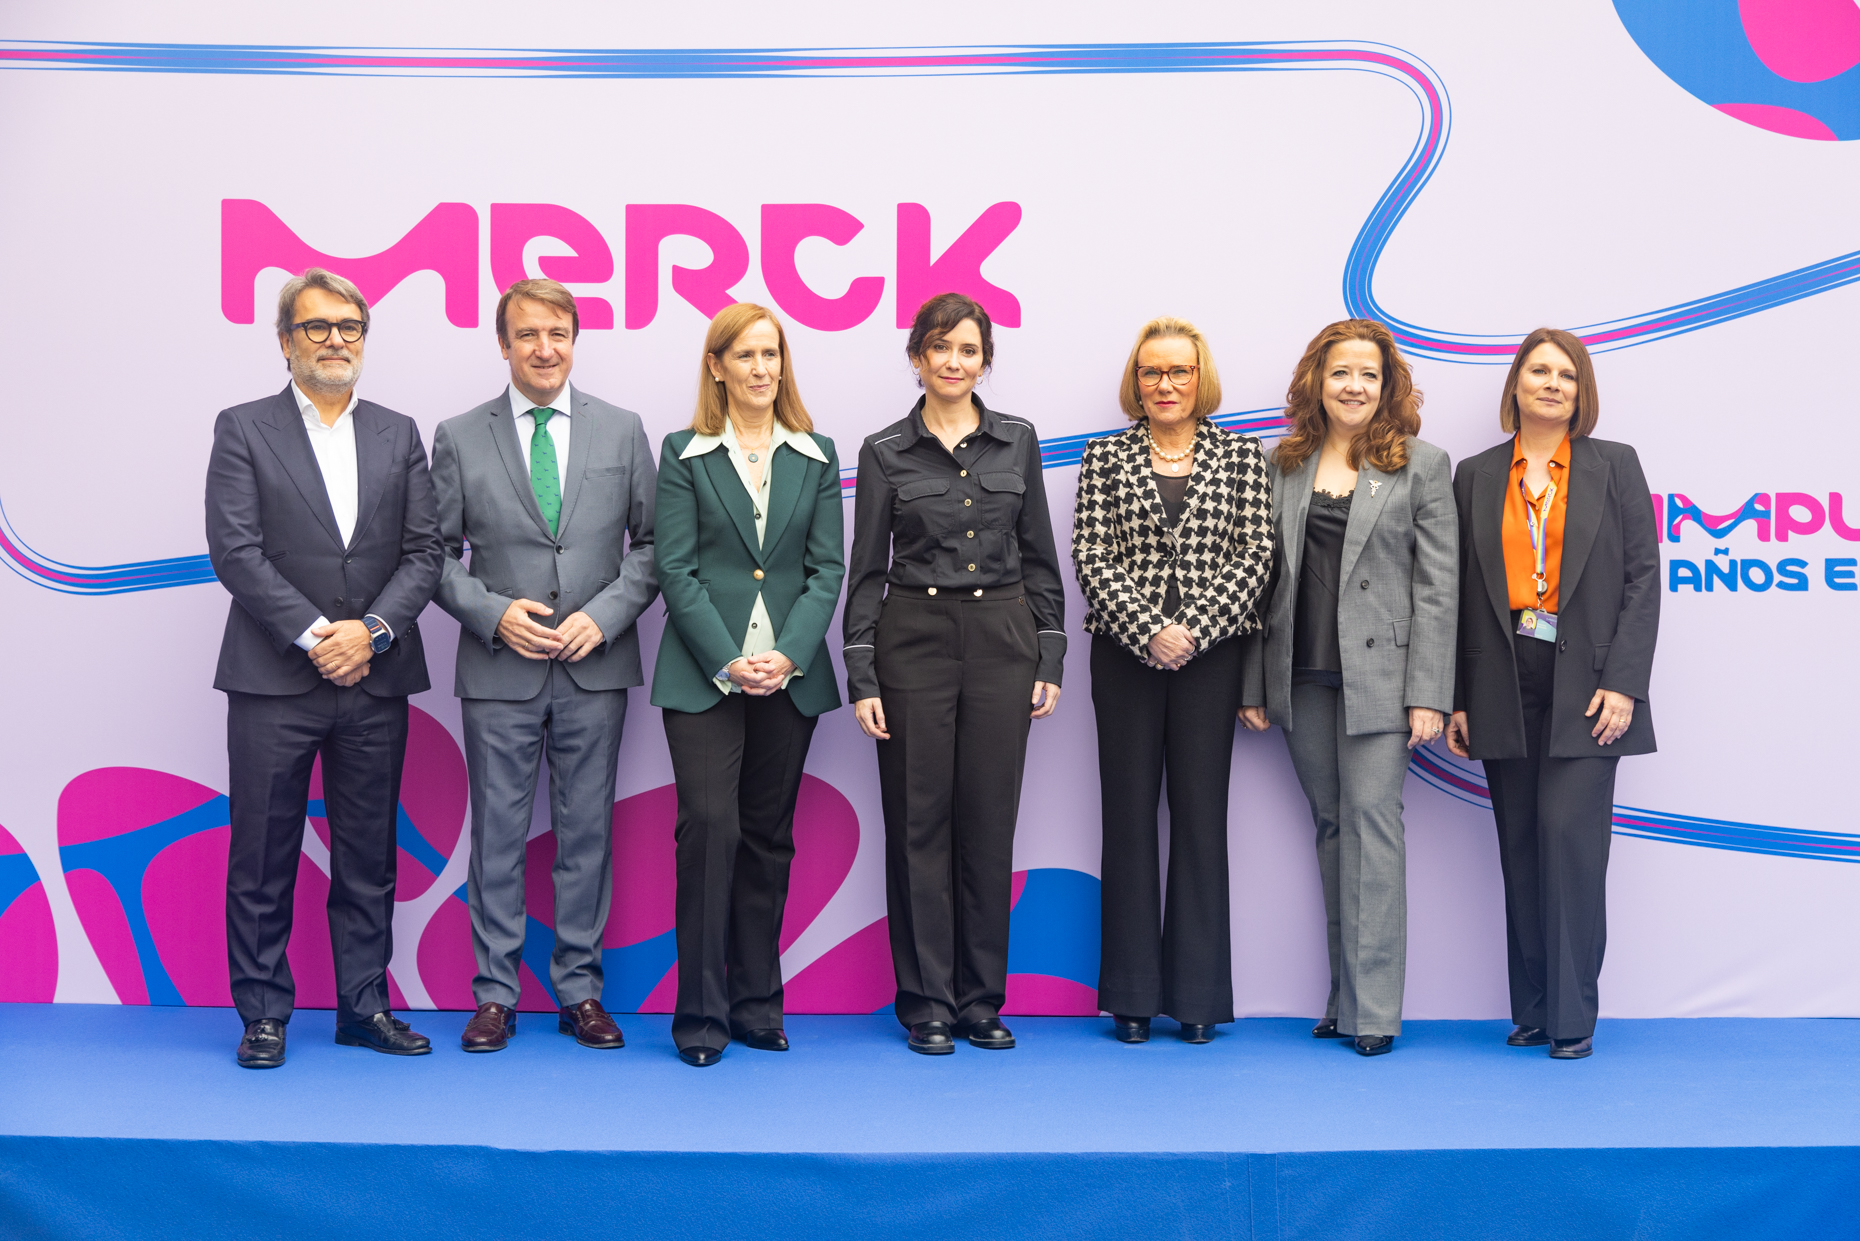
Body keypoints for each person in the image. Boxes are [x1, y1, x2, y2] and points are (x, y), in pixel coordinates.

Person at [206, 267, 444, 1068]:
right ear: (285, 342)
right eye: (317, 327)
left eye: (350, 326)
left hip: (374, 679)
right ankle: (264, 1012)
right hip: (274, 679)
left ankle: (363, 1006)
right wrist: (319, 635)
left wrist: (369, 632)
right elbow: (235, 551)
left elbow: (425, 552)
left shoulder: (398, 431)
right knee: (263, 854)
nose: (335, 339)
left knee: (369, 855)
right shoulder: (243, 428)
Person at [431, 278, 658, 1054]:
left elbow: (657, 545)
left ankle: (580, 991)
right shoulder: (460, 435)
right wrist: (493, 613)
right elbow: (433, 554)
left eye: (558, 332)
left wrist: (606, 615)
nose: (544, 347)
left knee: (586, 834)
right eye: (527, 334)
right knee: (496, 836)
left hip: (596, 667)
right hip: (500, 670)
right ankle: (494, 995)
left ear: (575, 339)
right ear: (503, 344)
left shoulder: (624, 430)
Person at [844, 292, 1066, 1055]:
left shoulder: (1018, 441)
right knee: (918, 825)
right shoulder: (883, 451)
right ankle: (926, 1001)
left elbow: (1040, 556)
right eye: (940, 348)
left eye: (968, 350)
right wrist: (863, 673)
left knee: (988, 823)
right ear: (917, 357)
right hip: (912, 640)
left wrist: (1051, 653)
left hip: (1003, 638)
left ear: (984, 361)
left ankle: (980, 1000)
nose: (953, 361)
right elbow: (865, 570)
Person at [1240, 318, 1457, 1057]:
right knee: (1333, 829)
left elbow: (1438, 588)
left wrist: (1428, 691)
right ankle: (1344, 998)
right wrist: (1254, 682)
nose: (1354, 386)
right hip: (1300, 676)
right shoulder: (1285, 463)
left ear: (1387, 384)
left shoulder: (1422, 464)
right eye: (1341, 373)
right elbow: (1258, 585)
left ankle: (1375, 1012)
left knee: (1372, 826)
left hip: (1382, 682)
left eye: (1368, 374)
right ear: (1316, 383)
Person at [1445, 327, 1657, 1061]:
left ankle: (1573, 1016)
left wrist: (1624, 683)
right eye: (1539, 370)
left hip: (1590, 686)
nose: (1552, 383)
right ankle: (1532, 1009)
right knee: (1521, 845)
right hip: (1504, 677)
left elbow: (1641, 580)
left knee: (1570, 843)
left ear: (1582, 390)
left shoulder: (1614, 466)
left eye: (1567, 374)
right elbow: (1462, 592)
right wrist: (1459, 696)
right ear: (1516, 384)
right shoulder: (1475, 474)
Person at [652, 304, 845, 1068]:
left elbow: (827, 568)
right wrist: (730, 658)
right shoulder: (685, 453)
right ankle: (700, 1016)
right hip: (706, 678)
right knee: (709, 833)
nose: (762, 368)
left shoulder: (817, 453)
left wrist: (789, 654)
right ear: (718, 366)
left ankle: (758, 1004)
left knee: (768, 840)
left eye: (772, 354)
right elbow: (676, 568)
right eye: (746, 355)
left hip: (788, 682)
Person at [1072, 317, 1273, 1045]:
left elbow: (1256, 556)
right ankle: (1129, 995)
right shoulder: (1105, 456)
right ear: (1137, 380)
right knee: (1126, 820)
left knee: (1199, 819)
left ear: (1200, 378)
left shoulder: (1244, 458)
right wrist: (1149, 628)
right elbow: (1090, 554)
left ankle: (1196, 995)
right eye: (1152, 372)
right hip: (1125, 657)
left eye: (1178, 371)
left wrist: (1192, 629)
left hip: (1208, 658)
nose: (1165, 384)